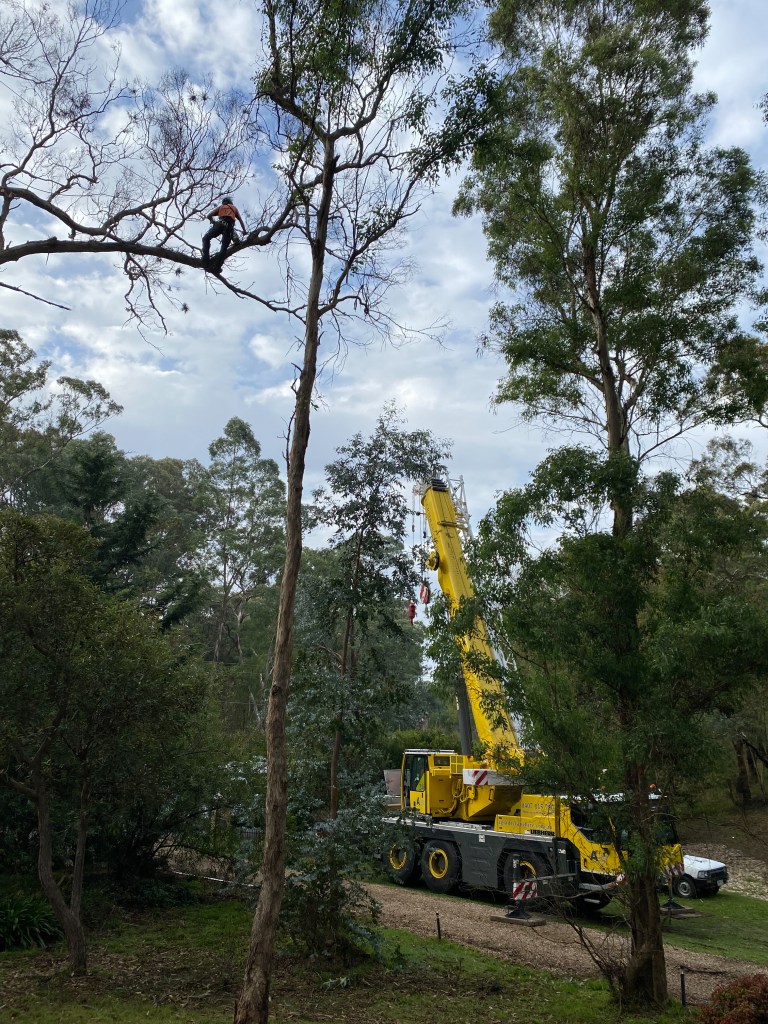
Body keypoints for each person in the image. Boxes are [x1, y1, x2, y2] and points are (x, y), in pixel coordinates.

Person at [202, 197, 247, 265]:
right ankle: (217, 266)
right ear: (230, 202)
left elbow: (209, 215)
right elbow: (240, 220)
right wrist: (244, 231)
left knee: (206, 238)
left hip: (220, 224)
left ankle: (205, 259)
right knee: (223, 248)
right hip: (229, 228)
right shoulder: (234, 208)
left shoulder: (221, 207)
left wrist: (212, 221)